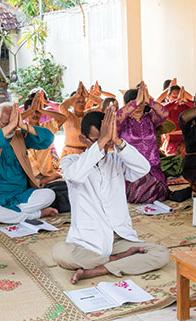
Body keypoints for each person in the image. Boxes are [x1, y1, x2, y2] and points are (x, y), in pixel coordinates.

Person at [53, 107, 170, 284]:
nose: (105, 145)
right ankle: (117, 260)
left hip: (119, 239)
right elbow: (75, 176)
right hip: (88, 242)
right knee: (61, 254)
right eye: (98, 140)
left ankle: (100, 269)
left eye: (108, 141)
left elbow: (143, 168)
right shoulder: (72, 161)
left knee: (162, 254)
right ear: (82, 139)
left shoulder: (116, 159)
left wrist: (117, 141)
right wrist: (102, 142)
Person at [0, 103, 57, 224]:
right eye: (6, 124)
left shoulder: (20, 136)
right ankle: (35, 214)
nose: (11, 128)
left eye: (13, 123)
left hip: (20, 195)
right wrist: (10, 126)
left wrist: (22, 125)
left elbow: (47, 139)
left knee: (49, 195)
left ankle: (9, 215)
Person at [117, 82, 169, 203]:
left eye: (141, 104)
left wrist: (149, 101)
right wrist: (136, 102)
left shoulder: (149, 119)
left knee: (159, 194)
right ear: (127, 105)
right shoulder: (122, 122)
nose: (138, 107)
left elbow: (164, 114)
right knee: (140, 195)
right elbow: (116, 117)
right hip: (132, 172)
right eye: (134, 104)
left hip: (153, 169)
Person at [23, 89, 67, 185]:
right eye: (31, 112)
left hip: (47, 173)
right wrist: (32, 109)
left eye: (37, 112)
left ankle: (42, 181)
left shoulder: (47, 127)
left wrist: (41, 109)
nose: (35, 114)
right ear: (26, 112)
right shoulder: (21, 130)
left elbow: (63, 118)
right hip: (29, 175)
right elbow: (10, 122)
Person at [60, 82, 101, 158]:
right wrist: (76, 96)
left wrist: (89, 95)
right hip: (70, 154)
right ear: (72, 103)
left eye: (83, 101)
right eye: (78, 101)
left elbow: (104, 105)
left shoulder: (89, 114)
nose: (81, 104)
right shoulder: (68, 115)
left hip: (87, 153)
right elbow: (62, 107)